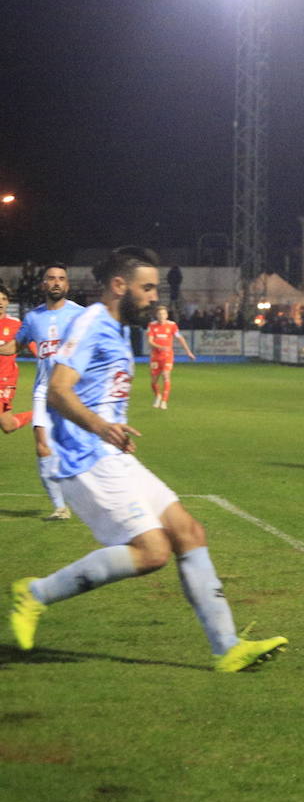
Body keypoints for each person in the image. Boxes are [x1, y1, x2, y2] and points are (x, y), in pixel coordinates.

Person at [8, 247, 287, 672]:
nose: (155, 296)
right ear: (119, 286)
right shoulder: (90, 323)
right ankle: (37, 594)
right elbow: (58, 390)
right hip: (85, 457)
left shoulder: (117, 329)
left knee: (189, 531)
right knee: (153, 550)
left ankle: (227, 647)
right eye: (148, 288)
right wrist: (102, 428)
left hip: (111, 454)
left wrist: (113, 431)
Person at [16, 263, 85, 520]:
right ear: (43, 284)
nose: (56, 282)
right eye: (51, 278)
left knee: (75, 448)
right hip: (43, 390)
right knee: (42, 446)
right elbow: (15, 344)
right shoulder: (33, 318)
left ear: (67, 285)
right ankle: (60, 507)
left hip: (72, 391)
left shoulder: (81, 315)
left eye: (61, 279)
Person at [146, 304, 196, 409]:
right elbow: (150, 341)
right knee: (154, 381)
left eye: (164, 313)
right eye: (159, 313)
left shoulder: (172, 325)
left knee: (165, 375)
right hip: (155, 356)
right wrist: (160, 346)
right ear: (156, 315)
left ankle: (164, 401)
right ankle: (158, 396)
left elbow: (180, 338)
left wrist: (188, 352)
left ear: (167, 315)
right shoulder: (152, 325)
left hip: (167, 356)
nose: (162, 315)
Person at [0, 285, 33, 434]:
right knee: (8, 425)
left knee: (7, 425)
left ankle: (42, 413)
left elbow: (35, 347)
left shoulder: (15, 325)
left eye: (4, 299)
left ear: (8, 302)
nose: (0, 302)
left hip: (4, 381)